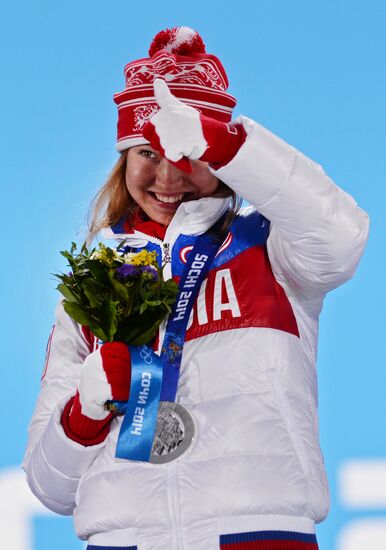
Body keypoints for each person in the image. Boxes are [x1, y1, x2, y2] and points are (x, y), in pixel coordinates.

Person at [23, 26, 369, 550]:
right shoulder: (92, 281)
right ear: (124, 160)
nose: (168, 176)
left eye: (191, 155)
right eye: (148, 153)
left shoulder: (270, 244)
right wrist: (83, 413)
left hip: (257, 535)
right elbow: (50, 487)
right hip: (124, 540)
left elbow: (343, 236)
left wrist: (231, 143)